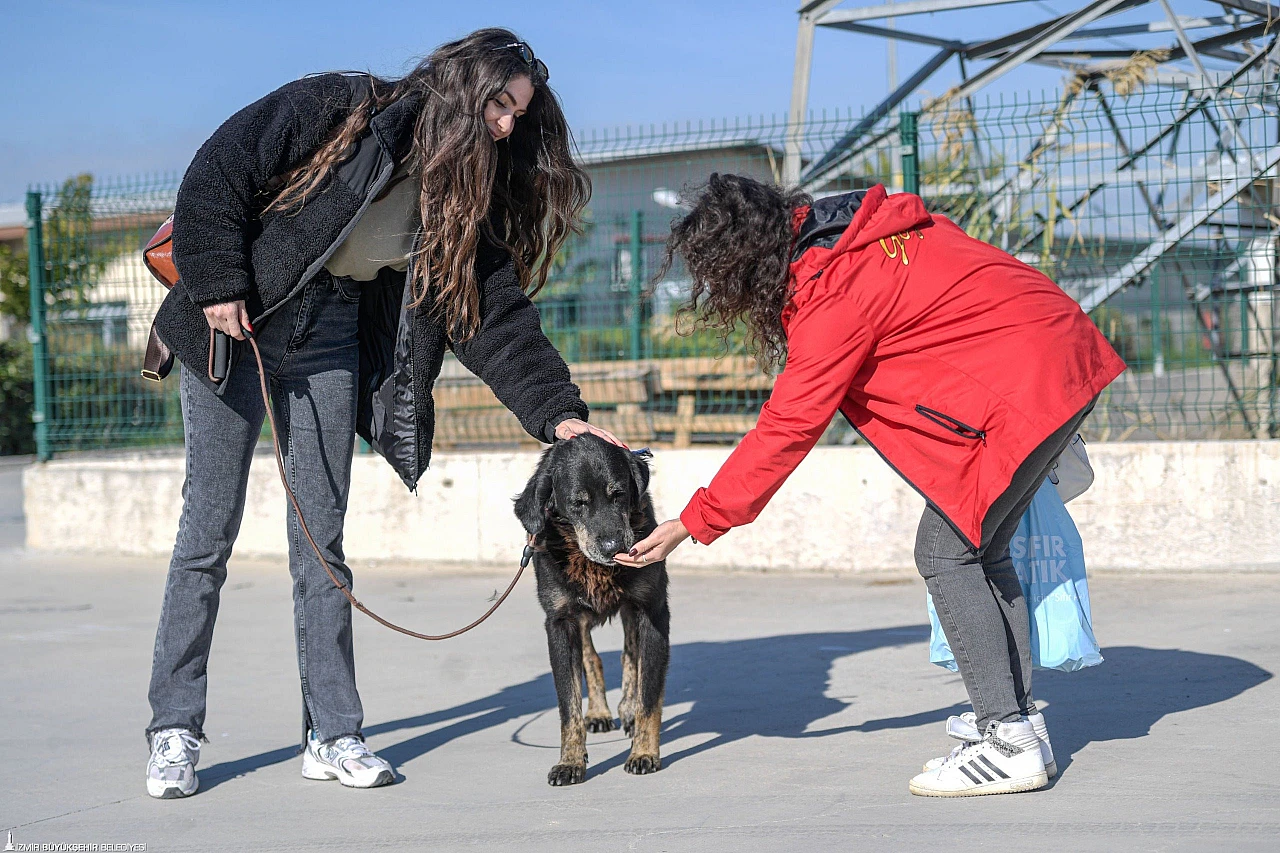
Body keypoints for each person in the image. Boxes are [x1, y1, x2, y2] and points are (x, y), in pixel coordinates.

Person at [144, 28, 622, 799]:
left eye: (517, 114)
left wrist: (562, 416)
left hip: (329, 335)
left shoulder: (464, 198)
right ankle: (174, 727)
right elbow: (219, 168)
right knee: (207, 532)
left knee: (322, 544)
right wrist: (218, 281)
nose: (505, 124)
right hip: (232, 327)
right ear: (463, 85)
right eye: (498, 103)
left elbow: (494, 318)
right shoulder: (344, 109)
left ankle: (332, 734)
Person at [615, 174, 1125, 797]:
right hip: (1059, 355)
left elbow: (788, 427)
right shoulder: (864, 233)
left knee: (945, 553)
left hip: (1027, 386)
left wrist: (693, 522)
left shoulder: (833, 292)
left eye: (718, 276)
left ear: (743, 263)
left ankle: (1009, 737)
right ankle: (1017, 728)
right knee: (979, 548)